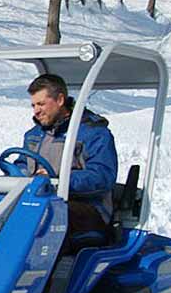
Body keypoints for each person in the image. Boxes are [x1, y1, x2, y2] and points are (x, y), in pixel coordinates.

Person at [19, 73, 118, 240]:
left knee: (46, 216)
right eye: (33, 105)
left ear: (59, 100)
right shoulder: (34, 136)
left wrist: (58, 181)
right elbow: (22, 165)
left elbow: (102, 176)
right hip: (41, 201)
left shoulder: (93, 133)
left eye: (41, 104)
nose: (36, 111)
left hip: (87, 208)